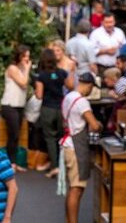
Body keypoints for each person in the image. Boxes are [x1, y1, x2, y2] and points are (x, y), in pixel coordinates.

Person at [61, 72, 103, 223]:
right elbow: (94, 125)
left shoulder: (68, 97)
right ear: (90, 85)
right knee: (77, 189)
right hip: (76, 148)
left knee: (72, 188)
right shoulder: (82, 101)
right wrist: (99, 124)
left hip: (67, 144)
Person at [35, 47, 72, 177]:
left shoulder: (42, 76)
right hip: (61, 108)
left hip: (47, 108)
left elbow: (39, 95)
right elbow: (71, 86)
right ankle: (64, 164)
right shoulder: (62, 73)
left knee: (50, 138)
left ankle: (55, 166)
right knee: (61, 137)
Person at [0, 45, 31, 172]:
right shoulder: (12, 68)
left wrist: (25, 69)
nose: (27, 59)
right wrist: (27, 69)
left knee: (16, 135)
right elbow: (23, 83)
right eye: (24, 56)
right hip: (9, 105)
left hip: (19, 105)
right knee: (13, 134)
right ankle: (10, 162)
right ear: (18, 57)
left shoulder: (22, 69)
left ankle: (14, 162)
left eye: (28, 56)